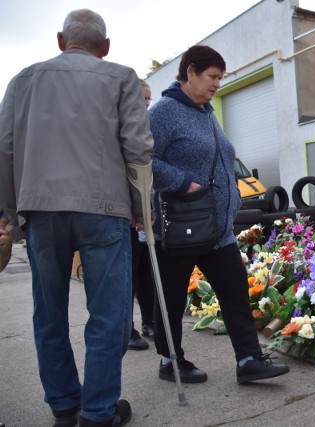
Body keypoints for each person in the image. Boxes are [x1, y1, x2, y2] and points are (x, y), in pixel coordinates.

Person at [0, 9, 154, 427]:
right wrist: (142, 211)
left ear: (59, 40)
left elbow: (6, 148)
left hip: (41, 210)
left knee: (48, 313)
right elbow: (138, 150)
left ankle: (65, 406)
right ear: (106, 47)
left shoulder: (22, 80)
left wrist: (11, 213)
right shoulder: (121, 77)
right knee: (109, 315)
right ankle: (99, 412)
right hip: (104, 208)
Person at [148, 45, 289, 384]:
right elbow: (142, 159)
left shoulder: (207, 112)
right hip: (181, 223)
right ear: (191, 72)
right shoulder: (164, 112)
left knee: (235, 290)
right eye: (212, 77)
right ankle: (170, 360)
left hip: (217, 227)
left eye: (220, 79)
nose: (216, 85)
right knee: (171, 294)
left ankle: (249, 361)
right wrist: (183, 182)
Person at [128, 80, 156, 351]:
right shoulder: (124, 122)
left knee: (147, 271)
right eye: (142, 97)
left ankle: (150, 320)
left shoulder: (149, 123)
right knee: (129, 274)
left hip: (148, 211)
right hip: (128, 213)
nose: (146, 102)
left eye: (149, 98)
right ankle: (127, 328)